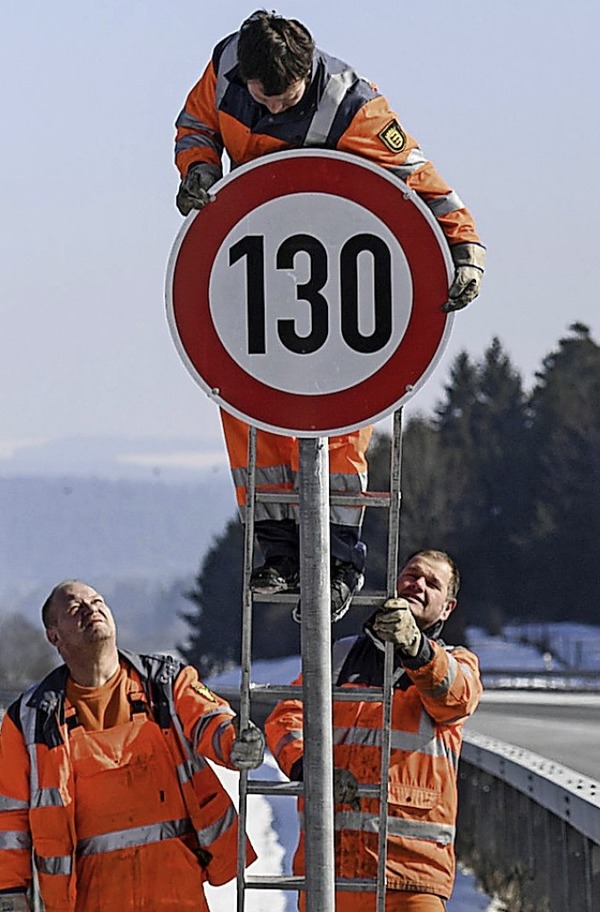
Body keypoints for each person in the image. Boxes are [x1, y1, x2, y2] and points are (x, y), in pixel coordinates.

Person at [173, 11, 486, 623]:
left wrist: (465, 249)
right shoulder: (226, 66)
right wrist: (200, 169)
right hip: (256, 276)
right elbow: (194, 125)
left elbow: (419, 179)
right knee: (247, 417)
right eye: (263, 98)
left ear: (306, 73)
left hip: (340, 289)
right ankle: (279, 550)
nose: (269, 108)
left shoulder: (354, 107)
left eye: (285, 98)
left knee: (340, 430)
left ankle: (339, 559)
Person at [0, 580, 265, 912]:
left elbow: (208, 719)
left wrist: (235, 741)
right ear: (54, 636)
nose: (91, 608)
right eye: (75, 607)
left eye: (97, 601)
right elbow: (9, 818)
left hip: (175, 888)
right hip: (89, 896)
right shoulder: (29, 719)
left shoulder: (165, 683)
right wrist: (9, 893)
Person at [265, 549, 483, 910]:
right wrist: (307, 768)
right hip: (332, 870)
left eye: (433, 584)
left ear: (447, 608)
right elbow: (287, 716)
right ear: (397, 582)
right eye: (412, 575)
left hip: (411, 876)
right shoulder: (342, 656)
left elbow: (457, 697)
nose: (419, 585)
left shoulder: (456, 662)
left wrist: (416, 650)